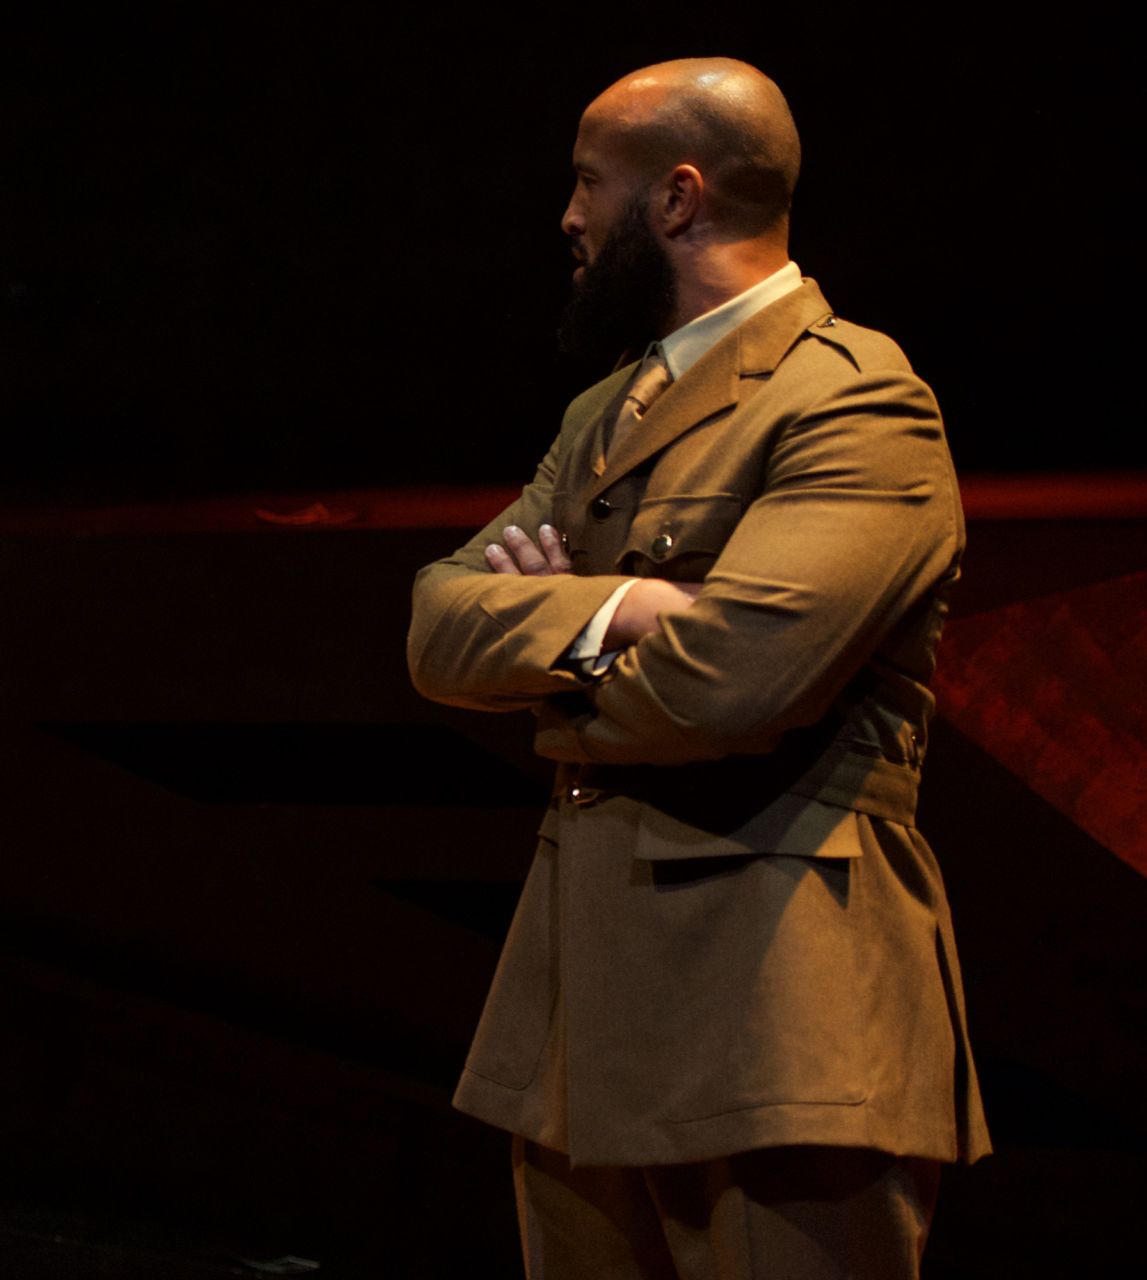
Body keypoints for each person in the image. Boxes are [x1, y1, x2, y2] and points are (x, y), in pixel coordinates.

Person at [407, 60, 989, 1277]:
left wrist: (546, 665)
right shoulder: (605, 411)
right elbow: (438, 624)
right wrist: (624, 607)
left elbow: (734, 684)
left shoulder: (856, 399)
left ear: (677, 198)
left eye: (588, 182)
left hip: (775, 1006)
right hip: (580, 1012)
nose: (568, 217)